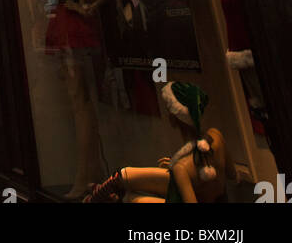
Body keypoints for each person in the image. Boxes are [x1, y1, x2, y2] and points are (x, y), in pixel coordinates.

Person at [84, 81, 235, 203]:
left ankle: (96, 199)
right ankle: (102, 196)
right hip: (206, 193)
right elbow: (233, 175)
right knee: (124, 175)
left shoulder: (181, 168)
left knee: (134, 199)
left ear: (172, 119)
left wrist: (183, 176)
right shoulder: (216, 135)